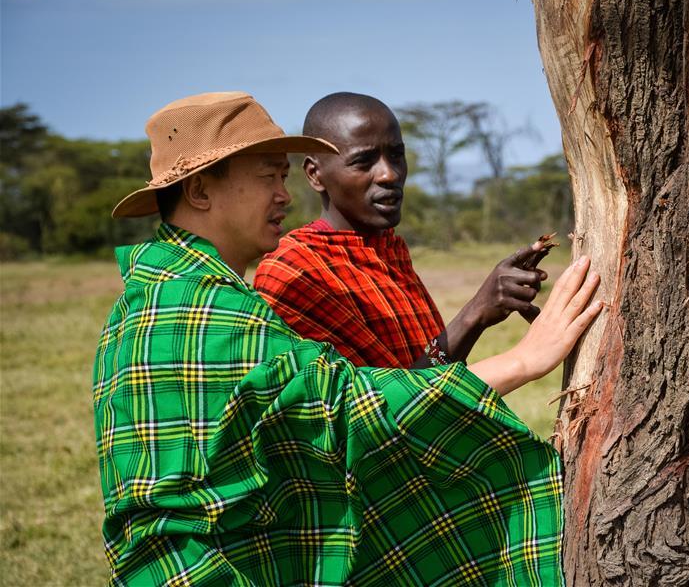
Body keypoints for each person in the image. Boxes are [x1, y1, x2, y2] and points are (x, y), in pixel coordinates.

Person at [94, 91, 602, 585]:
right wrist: (524, 360)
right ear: (201, 191)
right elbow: (346, 408)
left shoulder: (167, 292)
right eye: (268, 177)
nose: (284, 195)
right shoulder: (199, 308)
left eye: (283, 177)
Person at [253, 92, 551, 369]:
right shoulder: (293, 271)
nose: (389, 173)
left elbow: (431, 369)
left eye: (396, 155)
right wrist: (475, 314)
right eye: (363, 161)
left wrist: (486, 309)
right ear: (315, 174)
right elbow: (376, 409)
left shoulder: (389, 251)